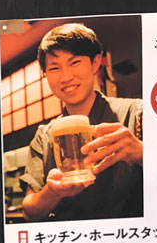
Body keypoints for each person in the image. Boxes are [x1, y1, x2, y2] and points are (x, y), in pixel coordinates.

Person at [20, 22, 143, 223]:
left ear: (95, 63)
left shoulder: (136, 112)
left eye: (75, 62)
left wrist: (140, 152)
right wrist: (53, 191)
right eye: (54, 68)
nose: (66, 77)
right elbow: (30, 212)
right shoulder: (44, 135)